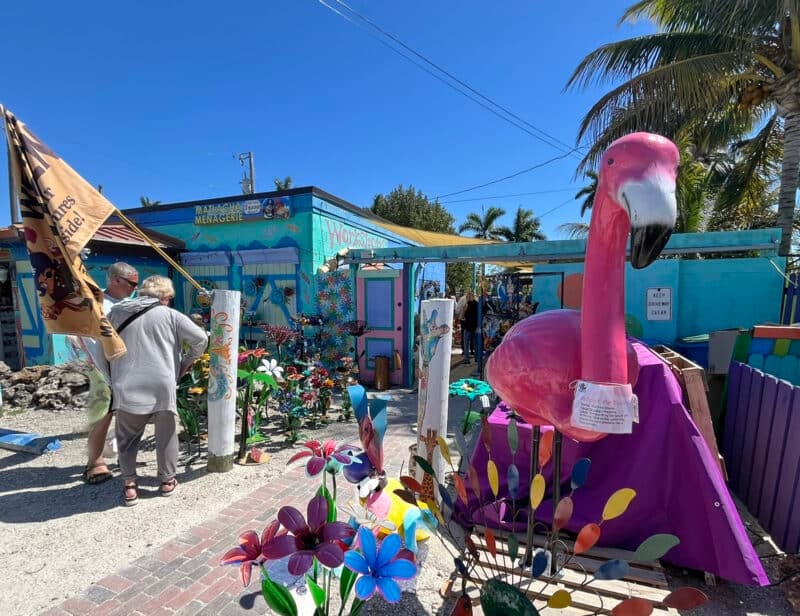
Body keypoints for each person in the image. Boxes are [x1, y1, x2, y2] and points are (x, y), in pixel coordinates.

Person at [108, 275, 207, 506]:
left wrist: (110, 372)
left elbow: (101, 342)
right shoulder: (170, 315)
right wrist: (186, 363)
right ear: (164, 297)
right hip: (161, 382)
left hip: (126, 382)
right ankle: (166, 481)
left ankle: (130, 486)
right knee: (166, 434)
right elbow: (201, 339)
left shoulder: (117, 312)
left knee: (127, 437)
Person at [80, 261, 139, 485]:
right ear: (116, 280)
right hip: (102, 366)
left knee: (128, 413)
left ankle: (123, 456)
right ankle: (94, 461)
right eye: (132, 283)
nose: (135, 287)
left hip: (126, 366)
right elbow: (85, 338)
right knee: (102, 414)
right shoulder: (98, 306)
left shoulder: (128, 304)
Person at [461, 290, 479, 364]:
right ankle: (477, 358)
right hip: (475, 326)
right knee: (475, 343)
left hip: (467, 326)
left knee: (466, 344)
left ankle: (467, 359)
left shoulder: (466, 305)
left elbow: (463, 316)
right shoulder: (477, 305)